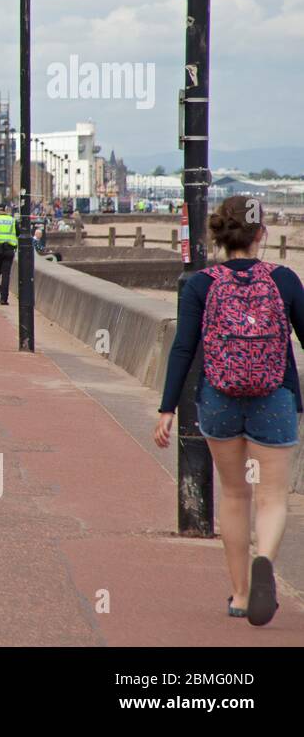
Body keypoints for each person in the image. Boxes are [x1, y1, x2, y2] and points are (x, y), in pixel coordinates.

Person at [154, 196, 303, 627]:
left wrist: (167, 408)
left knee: (235, 494)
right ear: (261, 234)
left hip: (218, 398)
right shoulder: (285, 280)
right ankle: (264, 561)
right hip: (274, 396)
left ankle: (240, 594)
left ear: (218, 235)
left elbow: (184, 348)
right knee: (273, 496)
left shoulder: (201, 283)